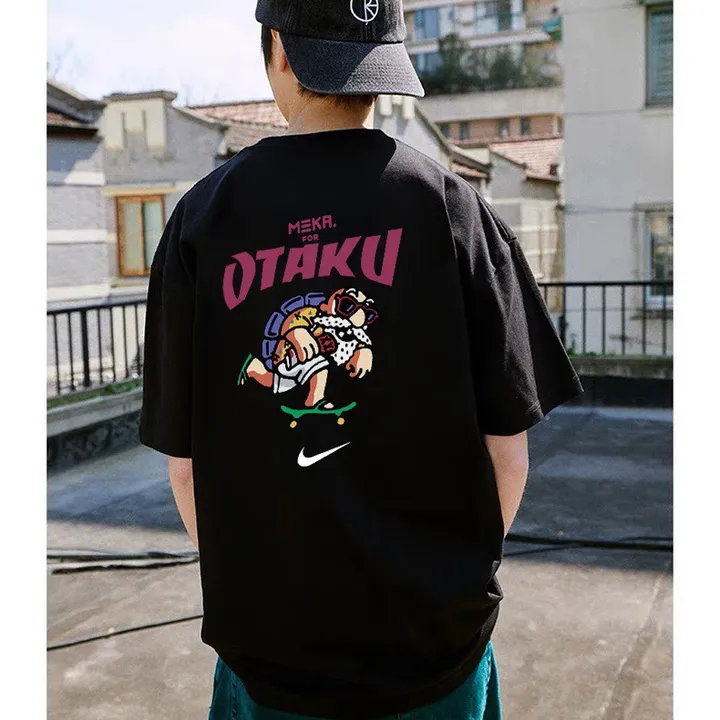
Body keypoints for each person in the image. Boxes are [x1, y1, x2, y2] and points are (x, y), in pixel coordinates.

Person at [139, 1, 583, 718]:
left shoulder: (201, 219)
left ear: (279, 50)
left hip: (272, 657)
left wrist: (258, 592)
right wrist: (444, 587)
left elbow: (185, 470)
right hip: (434, 655)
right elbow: (508, 456)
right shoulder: (455, 209)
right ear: (386, 64)